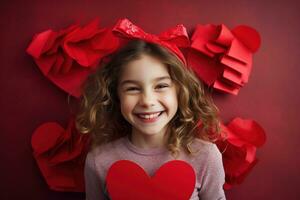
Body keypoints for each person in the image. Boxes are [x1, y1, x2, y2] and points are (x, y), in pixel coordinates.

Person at [76, 39, 226, 200]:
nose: (147, 101)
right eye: (132, 88)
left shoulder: (206, 156)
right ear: (116, 95)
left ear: (180, 91)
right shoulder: (98, 161)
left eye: (161, 86)